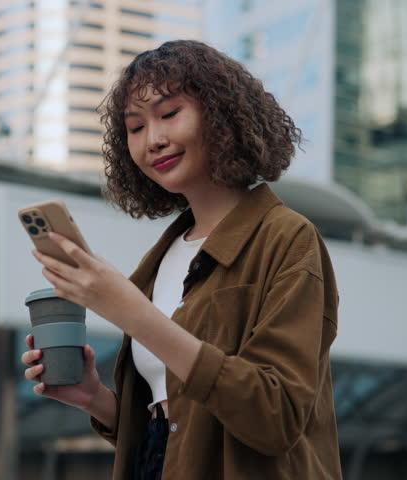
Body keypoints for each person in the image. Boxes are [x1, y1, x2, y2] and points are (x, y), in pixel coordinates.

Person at [21, 40, 342, 479]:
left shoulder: (288, 239)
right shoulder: (164, 258)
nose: (153, 140)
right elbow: (175, 431)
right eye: (135, 127)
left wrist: (133, 314)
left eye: (170, 114)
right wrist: (95, 399)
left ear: (222, 115)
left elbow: (276, 416)